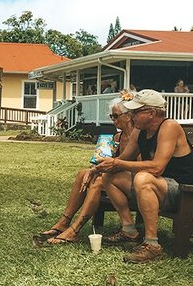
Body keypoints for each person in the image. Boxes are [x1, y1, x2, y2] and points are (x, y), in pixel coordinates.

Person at [92, 89, 193, 263]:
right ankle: (129, 230)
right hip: (158, 186)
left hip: (184, 192)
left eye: (136, 111)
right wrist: (103, 167)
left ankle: (152, 245)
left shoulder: (169, 127)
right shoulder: (139, 130)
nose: (132, 116)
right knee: (110, 177)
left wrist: (117, 164)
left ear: (151, 113)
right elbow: (122, 159)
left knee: (143, 177)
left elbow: (157, 167)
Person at [38, 93, 135, 245]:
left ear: (129, 116)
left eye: (116, 116)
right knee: (83, 173)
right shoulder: (116, 138)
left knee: (97, 181)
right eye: (111, 116)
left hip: (132, 181)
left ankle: (74, 230)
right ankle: (65, 221)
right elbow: (106, 160)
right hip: (116, 177)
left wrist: (107, 168)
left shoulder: (138, 137)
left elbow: (138, 166)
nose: (113, 120)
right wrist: (97, 165)